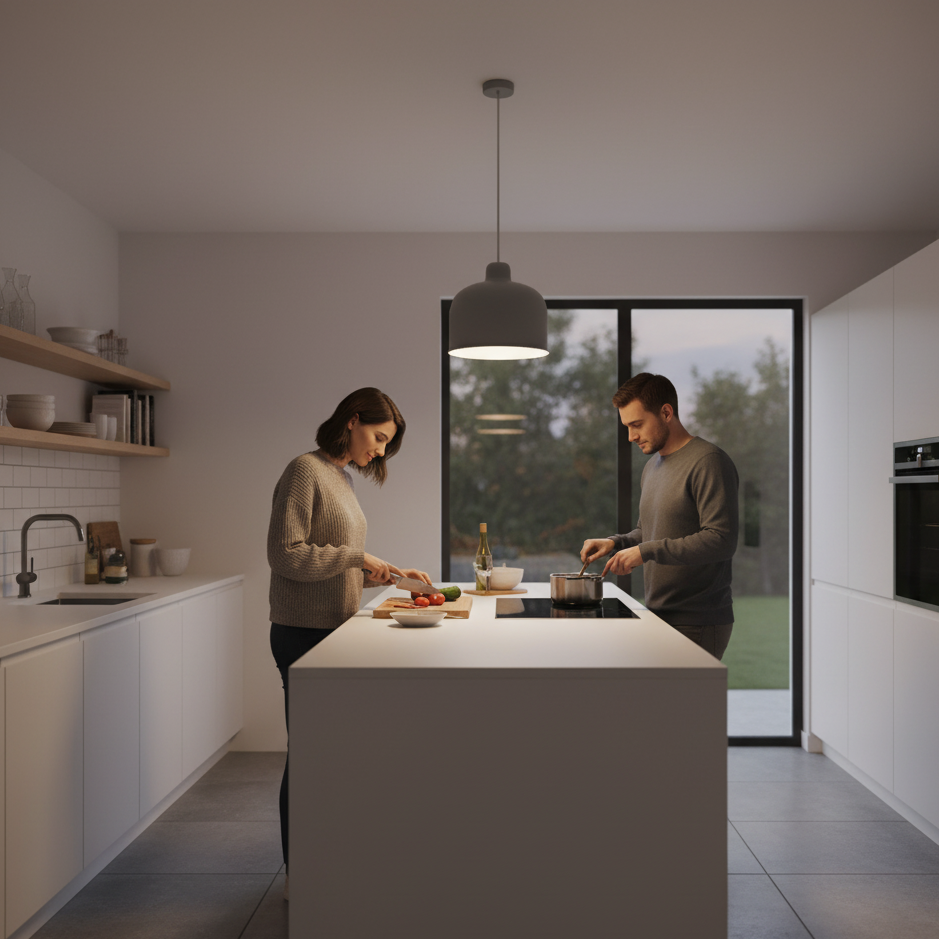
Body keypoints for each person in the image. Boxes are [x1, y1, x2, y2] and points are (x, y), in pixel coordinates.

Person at [268, 386, 430, 882]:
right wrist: (357, 558)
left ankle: (328, 864)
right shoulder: (304, 470)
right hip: (301, 633)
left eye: (386, 444)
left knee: (328, 754)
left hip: (333, 630)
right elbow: (286, 555)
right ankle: (299, 874)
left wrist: (383, 573)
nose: (380, 451)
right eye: (379, 438)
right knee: (309, 756)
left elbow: (331, 559)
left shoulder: (340, 478)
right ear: (353, 420)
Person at [581, 372, 739, 660]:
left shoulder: (708, 462)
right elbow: (649, 531)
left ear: (666, 412)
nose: (631, 437)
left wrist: (646, 551)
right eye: (627, 427)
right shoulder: (652, 467)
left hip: (697, 620)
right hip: (659, 613)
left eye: (636, 425)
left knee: (685, 707)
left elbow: (721, 540)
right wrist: (615, 543)